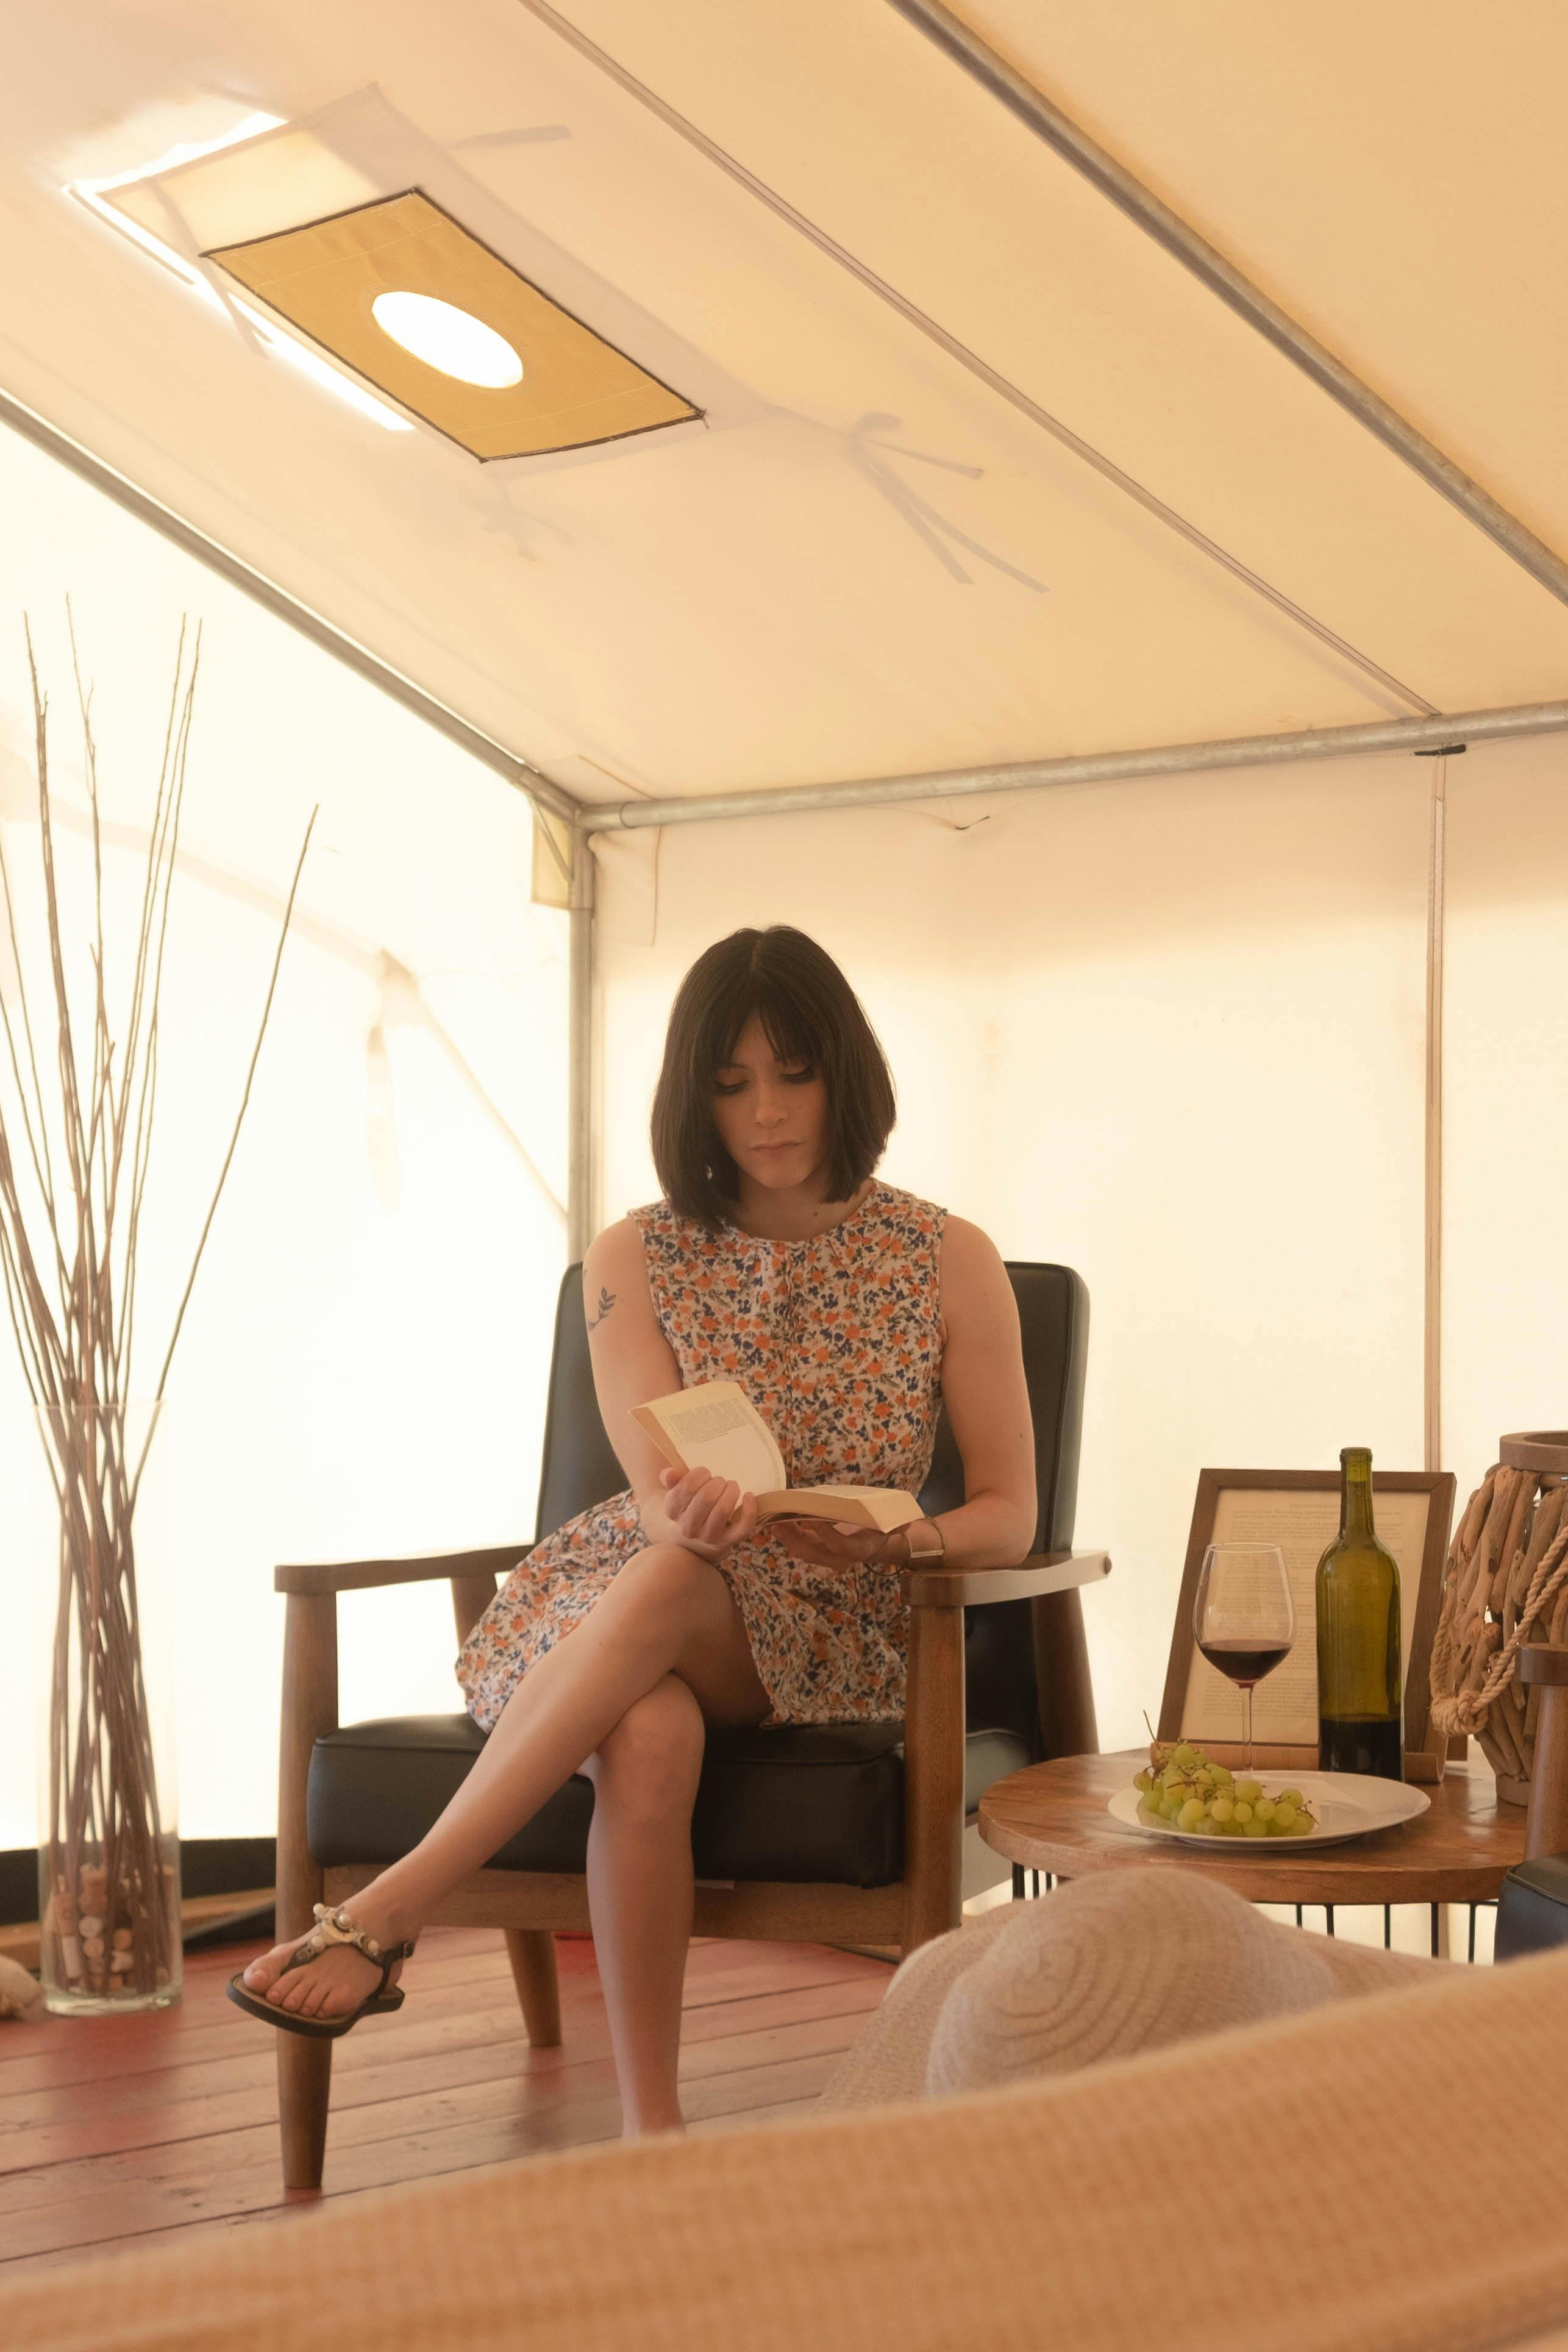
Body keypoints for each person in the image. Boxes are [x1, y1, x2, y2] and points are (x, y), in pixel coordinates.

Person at [230, 926, 1037, 2135]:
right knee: (648, 1729)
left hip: (844, 1622)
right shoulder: (632, 1257)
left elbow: (1008, 1515)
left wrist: (899, 1545)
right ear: (692, 1097)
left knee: (669, 1587)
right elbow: (654, 1488)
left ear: (845, 1076)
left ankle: (391, 1911)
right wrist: (696, 1510)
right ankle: (649, 2132)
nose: (764, 1112)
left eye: (792, 1073)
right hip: (633, 1591)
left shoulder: (948, 1258)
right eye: (729, 1084)